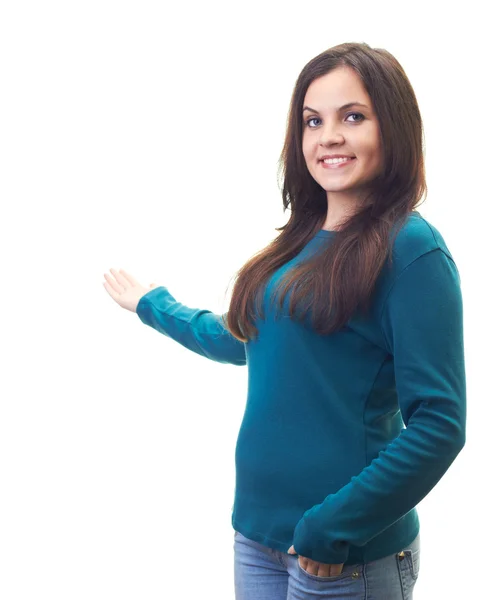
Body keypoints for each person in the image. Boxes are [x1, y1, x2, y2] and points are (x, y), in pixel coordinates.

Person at [103, 41, 466, 599]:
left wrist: (332, 528)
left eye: (353, 116)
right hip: (256, 537)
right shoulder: (298, 242)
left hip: (342, 556)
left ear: (392, 126)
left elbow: (439, 422)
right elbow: (243, 337)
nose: (329, 137)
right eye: (312, 121)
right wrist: (154, 304)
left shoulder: (412, 251)